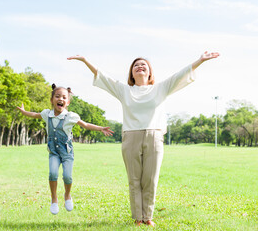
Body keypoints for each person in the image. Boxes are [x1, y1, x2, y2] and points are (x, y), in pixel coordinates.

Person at [67, 51, 219, 227]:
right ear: (132, 73)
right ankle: (138, 218)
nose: (139, 67)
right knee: (134, 179)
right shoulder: (124, 90)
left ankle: (148, 216)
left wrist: (200, 60)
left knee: (151, 179)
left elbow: (181, 74)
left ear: (149, 72)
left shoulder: (160, 88)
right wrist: (85, 60)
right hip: (131, 137)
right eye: (136, 65)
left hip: (154, 137)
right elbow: (103, 76)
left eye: (143, 65)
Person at [17, 84, 113, 215]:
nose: (60, 99)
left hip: (67, 152)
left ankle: (67, 195)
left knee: (67, 177)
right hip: (53, 153)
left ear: (67, 102)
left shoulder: (71, 116)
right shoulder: (47, 114)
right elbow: (34, 114)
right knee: (52, 174)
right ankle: (54, 198)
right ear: (52, 100)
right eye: (57, 96)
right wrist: (24, 112)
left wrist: (100, 128)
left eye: (64, 97)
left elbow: (85, 124)